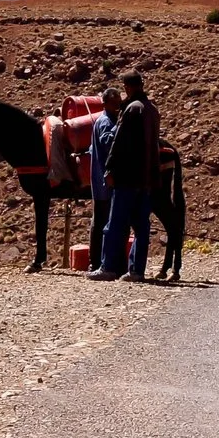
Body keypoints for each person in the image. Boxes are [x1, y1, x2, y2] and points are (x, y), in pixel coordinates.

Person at [96, 72, 157, 281]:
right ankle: (136, 270)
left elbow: (118, 143)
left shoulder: (131, 110)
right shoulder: (152, 110)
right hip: (146, 179)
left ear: (128, 87)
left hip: (127, 178)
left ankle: (108, 268)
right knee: (141, 226)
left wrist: (110, 170)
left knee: (114, 225)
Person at [86, 87, 121, 265]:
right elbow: (108, 141)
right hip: (105, 183)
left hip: (101, 182)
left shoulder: (104, 120)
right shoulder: (107, 122)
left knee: (99, 220)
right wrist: (121, 127)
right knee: (102, 222)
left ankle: (97, 260)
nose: (117, 106)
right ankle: (99, 261)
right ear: (105, 104)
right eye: (114, 103)